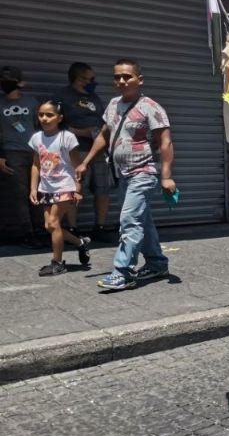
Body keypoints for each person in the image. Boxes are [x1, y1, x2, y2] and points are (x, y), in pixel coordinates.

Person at [77, 58, 176, 291]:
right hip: (121, 174)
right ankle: (157, 263)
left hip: (143, 172)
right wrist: (86, 162)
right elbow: (103, 135)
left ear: (139, 80)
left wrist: (166, 175)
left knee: (129, 221)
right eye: (117, 77)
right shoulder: (112, 104)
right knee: (143, 221)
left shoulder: (150, 107)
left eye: (127, 76)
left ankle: (123, 273)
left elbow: (165, 141)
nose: (121, 81)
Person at [28, 100, 92, 276]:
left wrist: (78, 190)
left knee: (54, 222)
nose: (44, 118)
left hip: (65, 185)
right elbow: (35, 165)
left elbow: (77, 164)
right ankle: (81, 243)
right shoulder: (36, 138)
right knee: (49, 226)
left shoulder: (67, 137)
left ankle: (57, 263)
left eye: (50, 115)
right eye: (41, 114)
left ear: (59, 118)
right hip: (46, 187)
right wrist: (33, 189)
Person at [55, 62, 113, 242]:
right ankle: (73, 228)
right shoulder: (62, 97)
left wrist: (95, 133)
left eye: (93, 79)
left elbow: (104, 123)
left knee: (102, 189)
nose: (91, 83)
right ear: (77, 78)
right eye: (87, 79)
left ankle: (100, 227)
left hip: (98, 151)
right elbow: (55, 123)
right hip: (74, 152)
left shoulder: (94, 97)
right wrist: (81, 132)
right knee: (74, 190)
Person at [0, 66, 45, 247]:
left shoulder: (32, 102)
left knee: (38, 193)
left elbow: (41, 127)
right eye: (3, 80)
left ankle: (41, 230)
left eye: (9, 80)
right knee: (20, 195)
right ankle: (28, 233)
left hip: (34, 153)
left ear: (21, 83)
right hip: (11, 153)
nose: (5, 84)